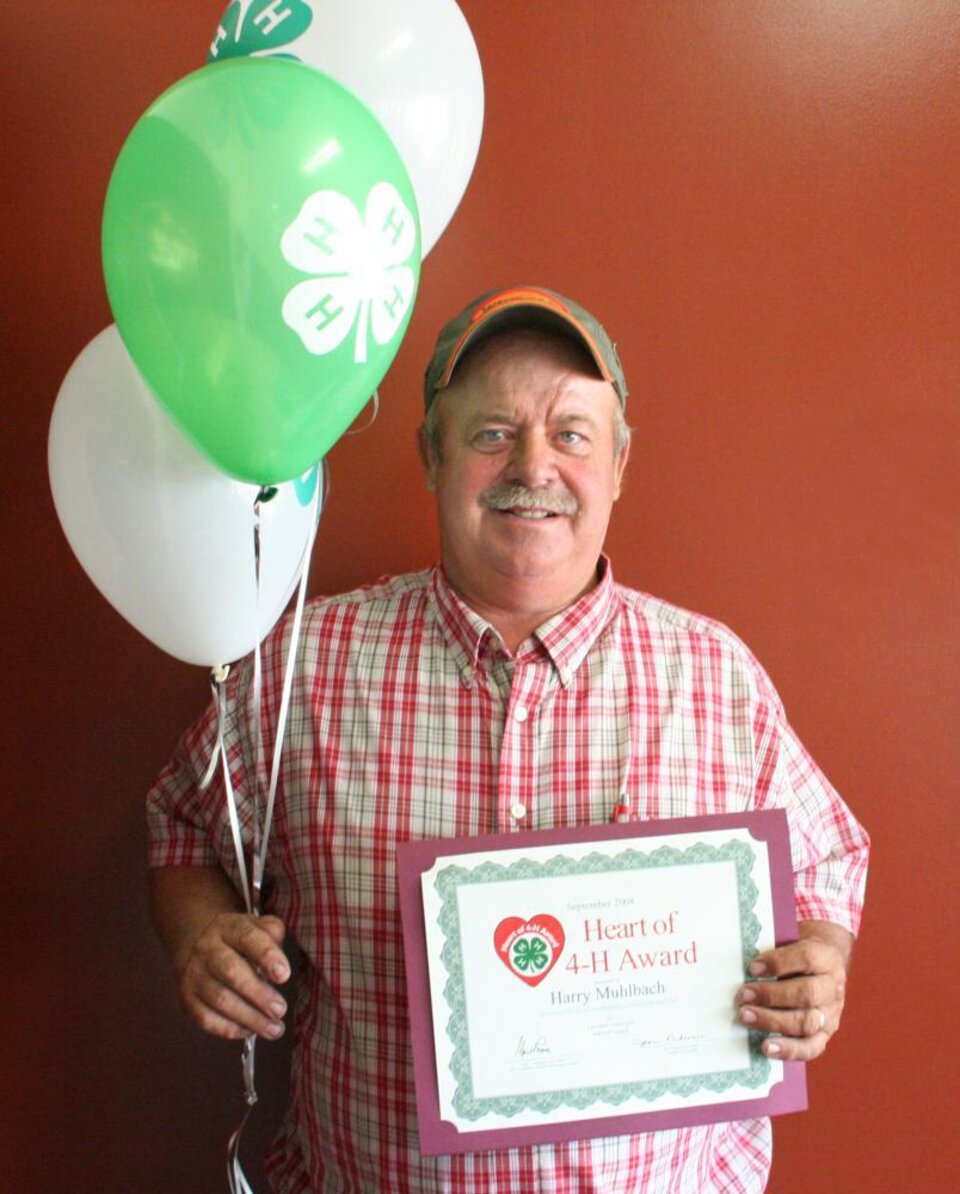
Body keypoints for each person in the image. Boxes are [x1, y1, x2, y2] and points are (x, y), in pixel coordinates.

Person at [147, 285, 869, 1192]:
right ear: (432, 454)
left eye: (572, 433)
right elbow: (180, 819)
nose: (534, 465)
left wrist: (822, 967)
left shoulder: (715, 677)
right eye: (492, 433)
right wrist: (202, 935)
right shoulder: (303, 665)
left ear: (619, 464)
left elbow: (832, 860)